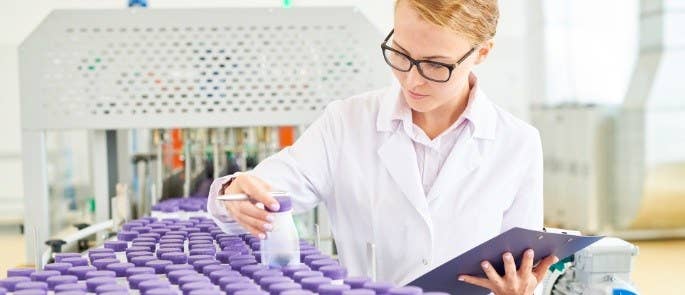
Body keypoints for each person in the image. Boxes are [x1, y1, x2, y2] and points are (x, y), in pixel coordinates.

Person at [207, 0, 558, 293]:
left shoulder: (518, 143)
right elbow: (260, 193)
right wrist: (236, 193)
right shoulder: (346, 122)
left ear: (481, 52)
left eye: (436, 65)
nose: (412, 79)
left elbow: (524, 271)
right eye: (401, 54)